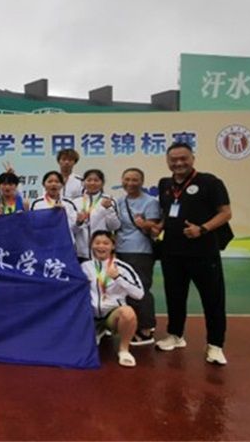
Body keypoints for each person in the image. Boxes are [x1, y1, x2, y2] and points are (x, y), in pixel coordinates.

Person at [153, 142, 232, 365]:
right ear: (167, 161)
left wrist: (202, 229)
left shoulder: (210, 182)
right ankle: (175, 335)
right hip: (172, 252)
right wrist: (159, 226)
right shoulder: (165, 184)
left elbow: (225, 213)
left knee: (213, 299)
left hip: (203, 252)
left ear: (192, 159)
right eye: (173, 159)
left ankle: (215, 345)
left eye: (183, 158)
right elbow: (167, 212)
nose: (178, 163)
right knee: (174, 296)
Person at [81, 231, 144, 368]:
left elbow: (139, 294)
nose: (101, 246)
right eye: (97, 243)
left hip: (111, 315)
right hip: (90, 315)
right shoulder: (84, 267)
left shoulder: (122, 267)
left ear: (113, 246)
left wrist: (118, 278)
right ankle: (96, 330)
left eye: (106, 243)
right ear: (91, 245)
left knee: (128, 313)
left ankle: (124, 350)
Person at [115, 168, 161, 346]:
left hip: (140, 251)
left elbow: (155, 228)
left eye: (135, 180)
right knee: (125, 289)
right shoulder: (119, 201)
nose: (130, 183)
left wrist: (145, 224)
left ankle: (146, 328)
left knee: (140, 288)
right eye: (127, 179)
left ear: (142, 182)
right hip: (120, 250)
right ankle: (131, 324)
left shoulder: (150, 202)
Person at [72, 169, 120, 262]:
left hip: (102, 250)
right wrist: (79, 222)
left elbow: (114, 226)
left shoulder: (109, 200)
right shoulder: (75, 202)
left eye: (96, 180)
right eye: (89, 180)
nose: (92, 183)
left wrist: (108, 210)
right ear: (83, 183)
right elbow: (72, 230)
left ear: (102, 183)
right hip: (80, 252)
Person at [30, 171, 78, 241]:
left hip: (65, 242)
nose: (53, 184)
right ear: (43, 184)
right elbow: (34, 225)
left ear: (62, 185)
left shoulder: (68, 203)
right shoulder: (37, 203)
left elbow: (75, 228)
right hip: (45, 242)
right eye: (50, 181)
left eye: (57, 182)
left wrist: (63, 214)